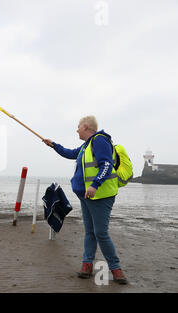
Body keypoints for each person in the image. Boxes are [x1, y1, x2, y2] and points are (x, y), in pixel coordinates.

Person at [43, 116, 128, 285]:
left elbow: (106, 165)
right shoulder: (86, 146)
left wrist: (95, 185)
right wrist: (53, 145)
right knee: (90, 231)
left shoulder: (100, 140)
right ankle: (86, 265)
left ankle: (116, 269)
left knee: (101, 233)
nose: (77, 130)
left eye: (78, 127)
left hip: (100, 195)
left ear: (86, 127)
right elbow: (69, 153)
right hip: (86, 196)